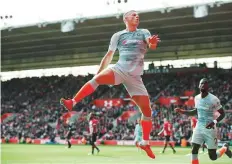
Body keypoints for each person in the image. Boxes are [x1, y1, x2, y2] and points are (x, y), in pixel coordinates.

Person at [60, 10, 160, 159]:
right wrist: (98, 74)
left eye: (138, 15)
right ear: (125, 19)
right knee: (97, 80)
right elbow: (109, 56)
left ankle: (145, 142)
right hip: (119, 69)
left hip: (135, 77)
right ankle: (72, 102)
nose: (137, 16)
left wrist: (151, 43)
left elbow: (150, 44)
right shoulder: (118, 36)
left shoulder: (144, 32)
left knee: (147, 111)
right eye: (133, 15)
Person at [175, 78, 232, 164]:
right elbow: (196, 111)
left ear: (208, 87)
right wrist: (183, 112)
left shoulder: (213, 99)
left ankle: (225, 148)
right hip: (199, 127)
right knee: (194, 148)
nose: (203, 85)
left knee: (213, 157)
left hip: (210, 128)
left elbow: (223, 114)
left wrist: (214, 122)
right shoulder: (196, 98)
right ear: (199, 86)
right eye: (201, 83)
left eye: (205, 84)